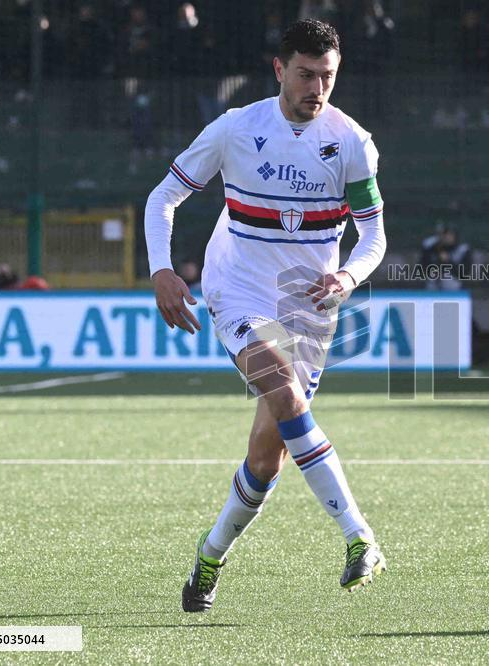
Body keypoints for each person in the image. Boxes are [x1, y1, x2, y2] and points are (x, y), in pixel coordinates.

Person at [144, 19, 388, 613]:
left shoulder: (351, 142)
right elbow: (163, 198)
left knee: (266, 454)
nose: (317, 87)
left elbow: (374, 233)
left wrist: (347, 276)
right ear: (280, 70)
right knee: (283, 392)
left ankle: (210, 553)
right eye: (306, 74)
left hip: (308, 307)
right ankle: (360, 536)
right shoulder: (235, 129)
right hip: (237, 292)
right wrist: (162, 270)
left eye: (328, 76)